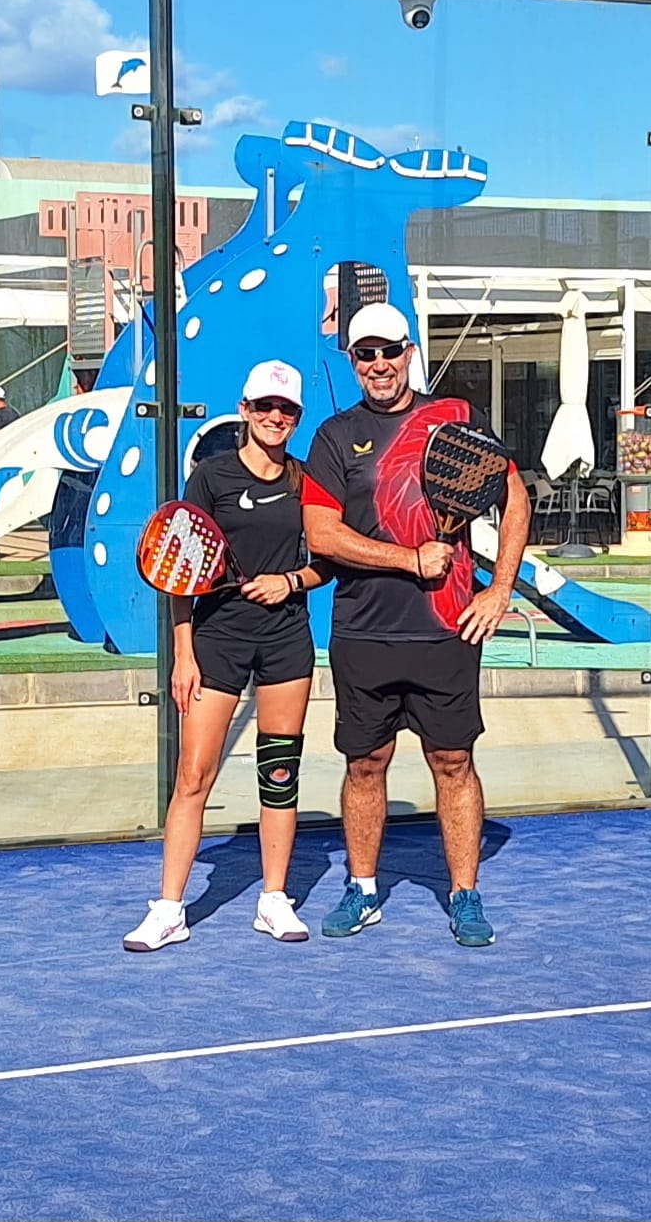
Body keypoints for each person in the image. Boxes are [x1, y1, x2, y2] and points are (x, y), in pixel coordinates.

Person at [302, 303, 531, 948]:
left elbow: (515, 500)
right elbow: (322, 533)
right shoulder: (334, 436)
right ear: (352, 362)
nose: (379, 365)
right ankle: (363, 889)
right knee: (365, 764)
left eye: (389, 351)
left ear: (409, 352)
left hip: (447, 632)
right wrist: (409, 559)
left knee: (453, 761)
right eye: (365, 354)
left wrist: (499, 590)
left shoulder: (457, 418)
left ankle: (465, 895)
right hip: (363, 633)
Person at [124, 360, 331, 952]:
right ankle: (169, 909)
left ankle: (274, 900)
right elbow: (178, 566)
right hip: (217, 641)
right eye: (264, 406)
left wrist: (289, 582)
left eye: (285, 409)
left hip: (286, 641)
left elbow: (328, 561)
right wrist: (183, 653)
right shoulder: (211, 478)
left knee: (279, 772)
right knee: (194, 774)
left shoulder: (308, 481)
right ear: (245, 410)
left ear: (296, 417)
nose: (274, 417)